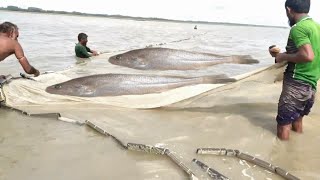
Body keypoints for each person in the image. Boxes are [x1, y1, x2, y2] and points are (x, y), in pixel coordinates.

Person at [269, 0, 320, 140]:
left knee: (283, 124)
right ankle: (295, 155)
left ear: (288, 10)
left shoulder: (298, 28)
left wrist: (281, 56)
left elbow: (307, 55)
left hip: (296, 83)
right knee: (297, 119)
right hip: (311, 85)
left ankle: (282, 157)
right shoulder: (317, 27)